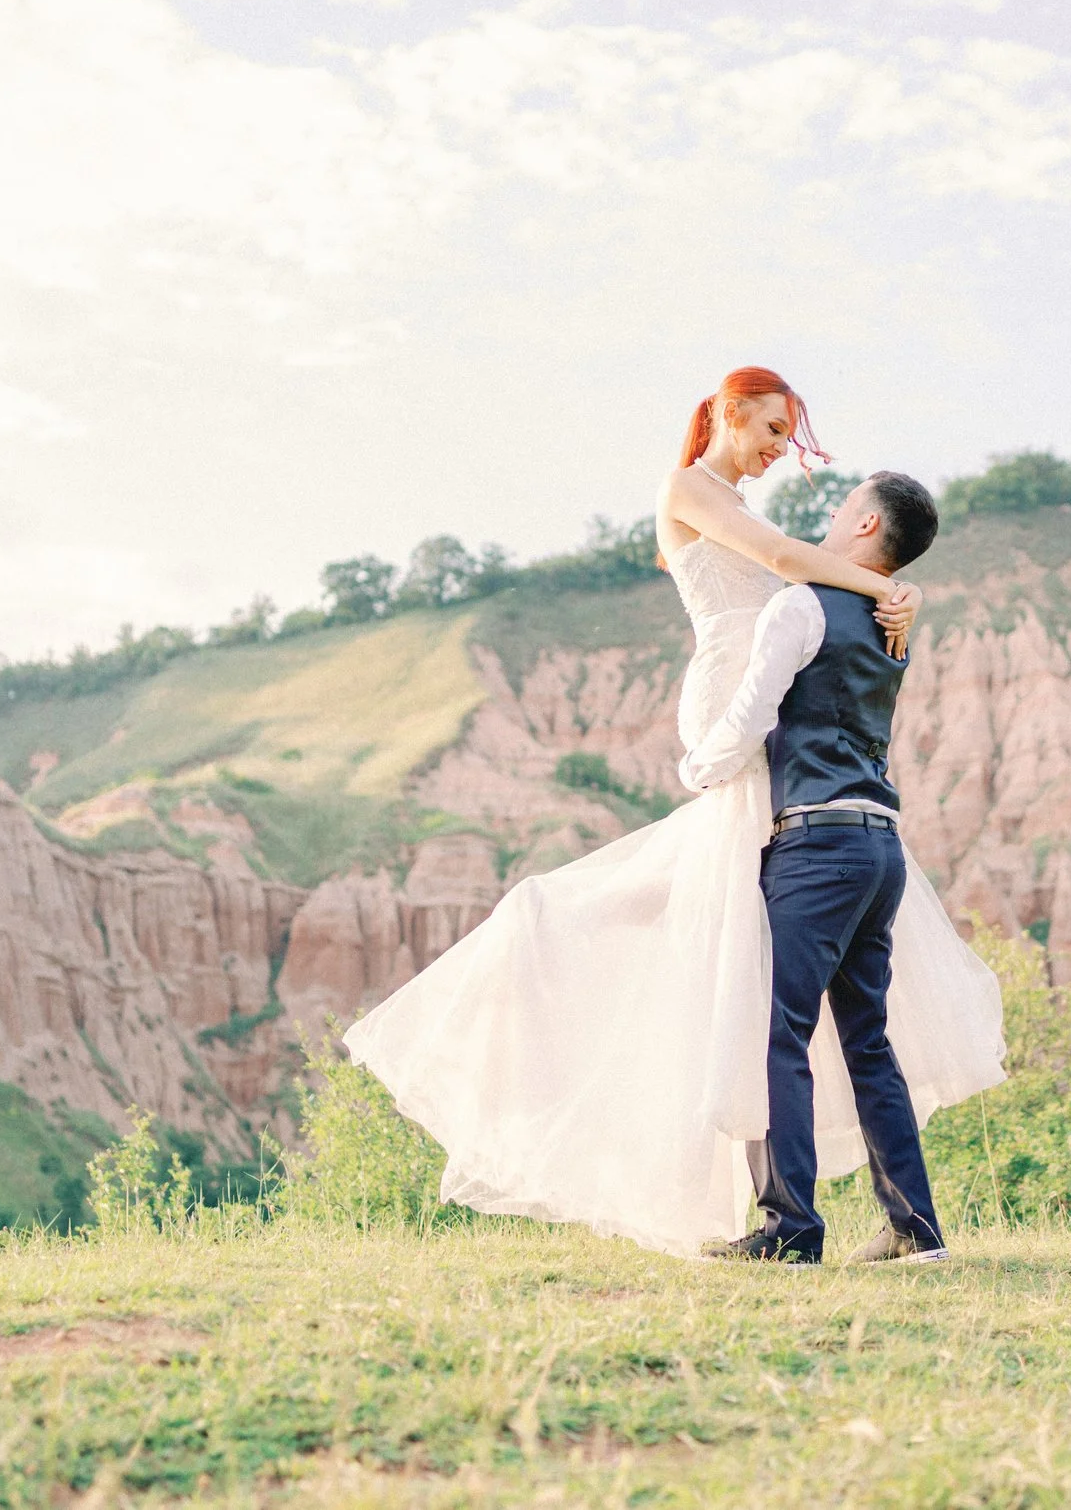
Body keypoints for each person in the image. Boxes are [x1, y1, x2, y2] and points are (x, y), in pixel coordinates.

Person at [343, 368, 1003, 1258]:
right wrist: (885, 584)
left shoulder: (815, 587)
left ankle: (794, 1225)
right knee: (762, 985)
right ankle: (826, 1218)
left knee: (762, 997)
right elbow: (777, 565)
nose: (779, 451)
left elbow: (798, 584)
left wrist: (890, 587)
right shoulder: (690, 489)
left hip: (780, 765)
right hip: (763, 745)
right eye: (770, 429)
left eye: (785, 434)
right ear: (727, 413)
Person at [682, 470, 953, 1266]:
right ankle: (914, 1227)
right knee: (867, 1039)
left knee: (775, 1030)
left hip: (816, 844)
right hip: (881, 845)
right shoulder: (889, 619)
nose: (830, 514)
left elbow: (756, 709)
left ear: (867, 523)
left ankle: (788, 1229)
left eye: (843, 505)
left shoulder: (802, 602)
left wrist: (701, 768)